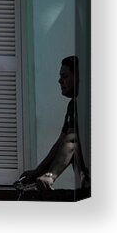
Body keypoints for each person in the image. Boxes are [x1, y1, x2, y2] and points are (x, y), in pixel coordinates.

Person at [17, 56, 89, 191]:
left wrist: (51, 175)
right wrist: (37, 172)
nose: (60, 81)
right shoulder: (72, 105)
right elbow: (61, 144)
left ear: (79, 77)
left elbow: (72, 143)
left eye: (65, 76)